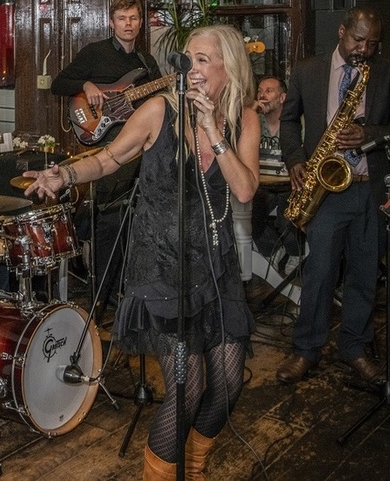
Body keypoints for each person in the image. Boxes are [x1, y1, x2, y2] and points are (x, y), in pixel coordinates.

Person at [27, 24, 259, 480]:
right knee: (186, 388)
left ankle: (193, 466)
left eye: (204, 59)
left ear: (229, 70)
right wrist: (66, 176)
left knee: (229, 381)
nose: (192, 68)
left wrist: (213, 130)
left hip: (214, 263)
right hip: (162, 265)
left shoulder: (242, 119)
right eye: (188, 57)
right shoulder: (158, 110)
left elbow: (245, 190)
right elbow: (110, 157)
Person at [275, 6, 390, 385]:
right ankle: (306, 350)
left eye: (372, 43)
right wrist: (295, 160)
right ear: (341, 31)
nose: (363, 49)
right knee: (319, 273)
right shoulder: (307, 70)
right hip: (325, 190)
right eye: (357, 39)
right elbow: (288, 120)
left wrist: (369, 133)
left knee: (364, 274)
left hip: (369, 189)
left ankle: (354, 347)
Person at [50, 0, 162, 311]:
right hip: (105, 144)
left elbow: (158, 100)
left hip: (138, 147)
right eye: (122, 18)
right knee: (109, 219)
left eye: (134, 18)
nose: (128, 24)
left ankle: (129, 291)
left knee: (135, 218)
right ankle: (103, 295)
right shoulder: (94, 53)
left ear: (141, 23)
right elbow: (59, 83)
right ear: (111, 23)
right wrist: (87, 85)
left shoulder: (146, 63)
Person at [251, 76, 303, 274]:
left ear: (282, 98)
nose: (263, 95)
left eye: (269, 91)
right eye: (260, 91)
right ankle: (273, 248)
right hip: (261, 185)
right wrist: (250, 113)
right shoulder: (253, 122)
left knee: (287, 216)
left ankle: (295, 253)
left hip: (289, 185)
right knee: (249, 216)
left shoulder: (294, 124)